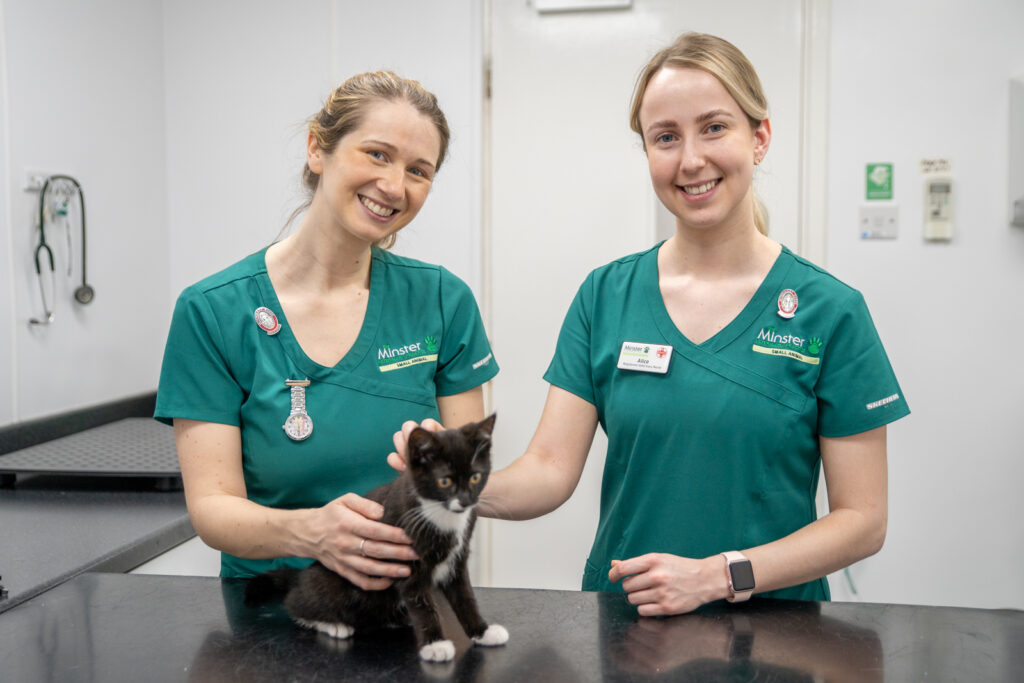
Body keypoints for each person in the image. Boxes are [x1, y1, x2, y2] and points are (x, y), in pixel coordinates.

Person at [391, 33, 909, 615]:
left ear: (759, 138)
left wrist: (721, 575)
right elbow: (550, 471)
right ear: (647, 153)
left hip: (775, 633)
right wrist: (447, 488)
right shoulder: (606, 296)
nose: (690, 160)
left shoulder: (830, 310)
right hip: (628, 626)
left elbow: (862, 521)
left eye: (714, 127)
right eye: (666, 137)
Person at [155, 71, 498, 589]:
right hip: (272, 610)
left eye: (419, 171)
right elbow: (212, 509)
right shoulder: (213, 312)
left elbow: (463, 491)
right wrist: (311, 533)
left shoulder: (443, 302)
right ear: (318, 149)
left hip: (408, 609)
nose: (394, 186)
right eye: (377, 154)